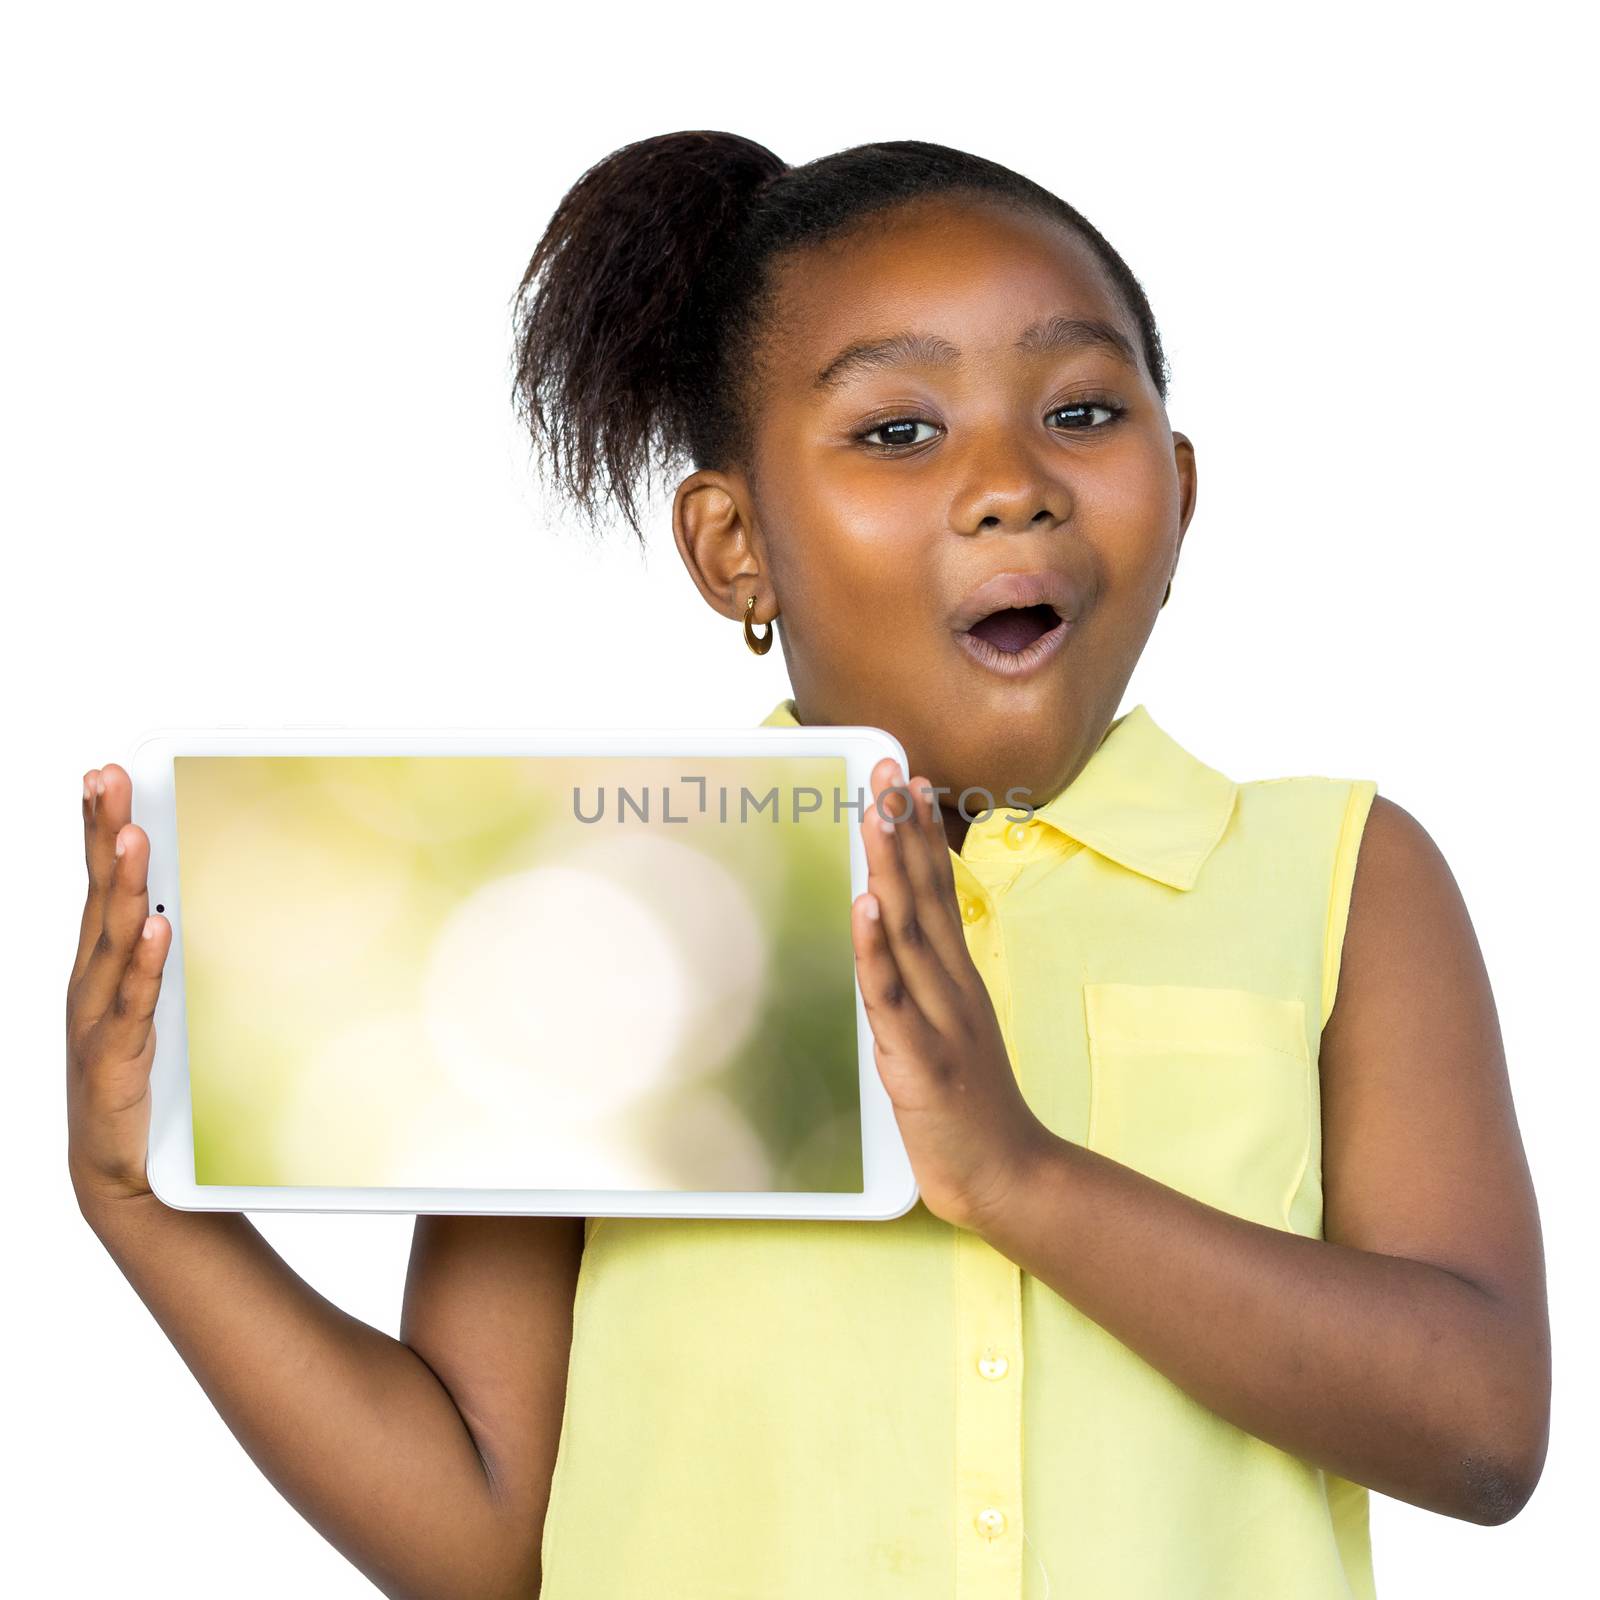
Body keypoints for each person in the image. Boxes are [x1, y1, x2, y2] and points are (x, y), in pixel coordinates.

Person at [67, 133, 1549, 1599]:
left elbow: (1484, 1430)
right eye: (899, 431)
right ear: (734, 549)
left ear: (1179, 495)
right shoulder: (608, 897)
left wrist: (1018, 1178)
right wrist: (144, 1209)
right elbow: (480, 1535)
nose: (1011, 484)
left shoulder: (1343, 876)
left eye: (1083, 411)